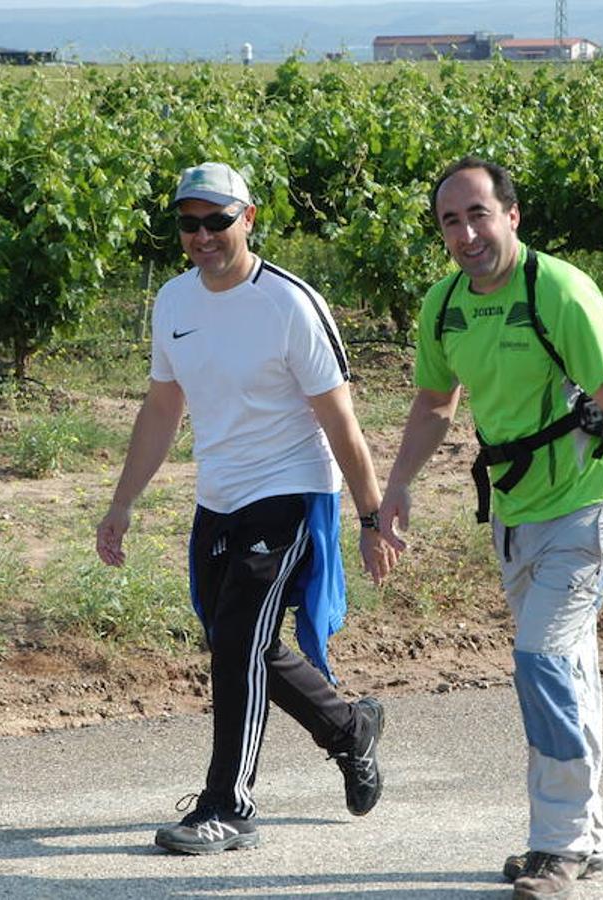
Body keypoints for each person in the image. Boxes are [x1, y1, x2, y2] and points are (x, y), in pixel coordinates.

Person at [96, 161, 398, 855]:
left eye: (216, 221)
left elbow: (339, 420)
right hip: (219, 497)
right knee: (239, 642)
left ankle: (227, 807)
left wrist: (371, 517)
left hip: (289, 492)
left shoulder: (288, 304)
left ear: (249, 218)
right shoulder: (173, 301)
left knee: (237, 641)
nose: (201, 235)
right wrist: (121, 504)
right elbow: (162, 406)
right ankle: (349, 728)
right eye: (188, 222)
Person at [377, 157, 603, 900]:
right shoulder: (443, 306)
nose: (466, 233)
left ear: (511, 215)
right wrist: (396, 485)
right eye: (449, 220)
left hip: (583, 512)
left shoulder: (558, 289)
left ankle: (557, 845)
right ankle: (585, 837)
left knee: (540, 662)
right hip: (512, 518)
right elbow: (435, 405)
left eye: (478, 214)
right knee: (566, 673)